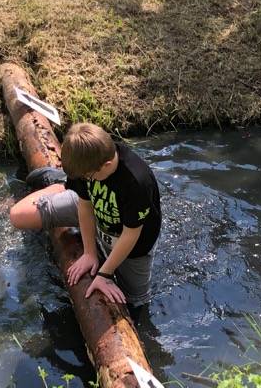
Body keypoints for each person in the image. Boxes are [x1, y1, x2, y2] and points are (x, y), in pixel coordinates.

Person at [9, 122, 161, 317]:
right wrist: (89, 253)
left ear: (106, 165)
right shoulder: (87, 163)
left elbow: (131, 234)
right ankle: (60, 186)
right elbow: (85, 204)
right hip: (96, 210)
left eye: (87, 177)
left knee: (137, 304)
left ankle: (63, 185)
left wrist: (104, 273)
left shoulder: (136, 182)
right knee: (18, 216)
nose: (85, 179)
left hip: (131, 242)